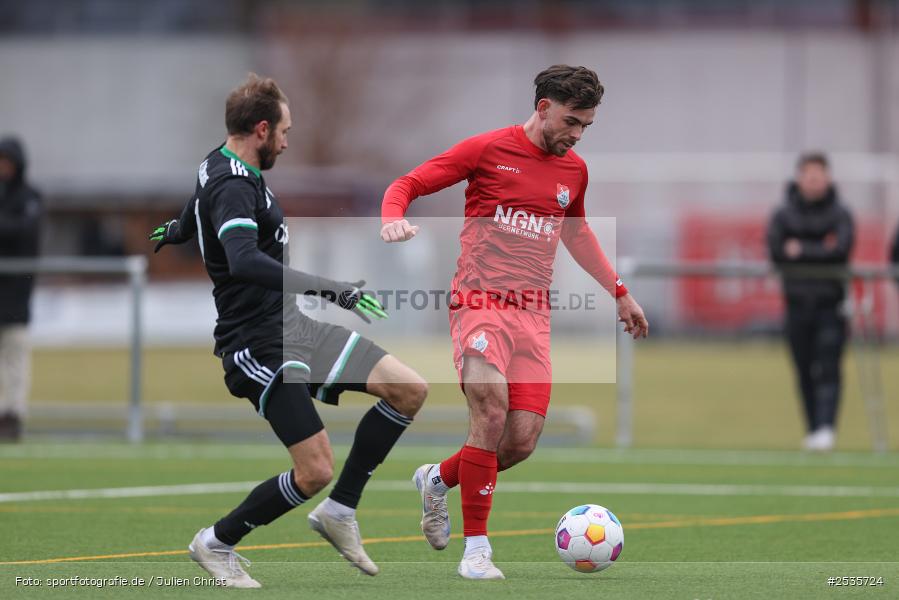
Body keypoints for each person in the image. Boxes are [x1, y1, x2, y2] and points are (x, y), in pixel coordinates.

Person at [150, 74, 428, 587]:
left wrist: (177, 229)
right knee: (314, 470)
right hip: (256, 343)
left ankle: (339, 511)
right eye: (284, 130)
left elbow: (198, 207)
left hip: (293, 329)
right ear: (260, 129)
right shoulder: (235, 182)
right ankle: (216, 542)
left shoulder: (220, 164)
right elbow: (243, 261)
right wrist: (330, 288)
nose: (287, 140)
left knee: (409, 389)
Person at [380, 65, 648, 580]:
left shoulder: (574, 172)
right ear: (543, 107)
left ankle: (437, 479)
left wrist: (619, 292)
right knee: (491, 410)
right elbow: (409, 183)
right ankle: (476, 550)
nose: (576, 134)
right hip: (479, 303)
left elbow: (576, 233)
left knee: (520, 442)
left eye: (586, 126)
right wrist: (392, 216)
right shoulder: (487, 150)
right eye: (571, 121)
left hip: (533, 315)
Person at [767, 153, 854, 452]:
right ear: (799, 178)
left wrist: (801, 248)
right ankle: (813, 429)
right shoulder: (784, 214)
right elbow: (777, 251)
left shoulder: (840, 213)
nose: (815, 182)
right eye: (809, 176)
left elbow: (841, 249)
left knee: (829, 367)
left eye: (819, 176)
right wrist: (820, 248)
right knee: (804, 368)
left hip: (831, 305)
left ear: (827, 178)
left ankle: (827, 429)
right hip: (796, 304)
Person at [0, 136, 42, 443]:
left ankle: (12, 416)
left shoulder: (30, 197)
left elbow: (24, 233)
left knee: (15, 357)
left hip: (16, 295)